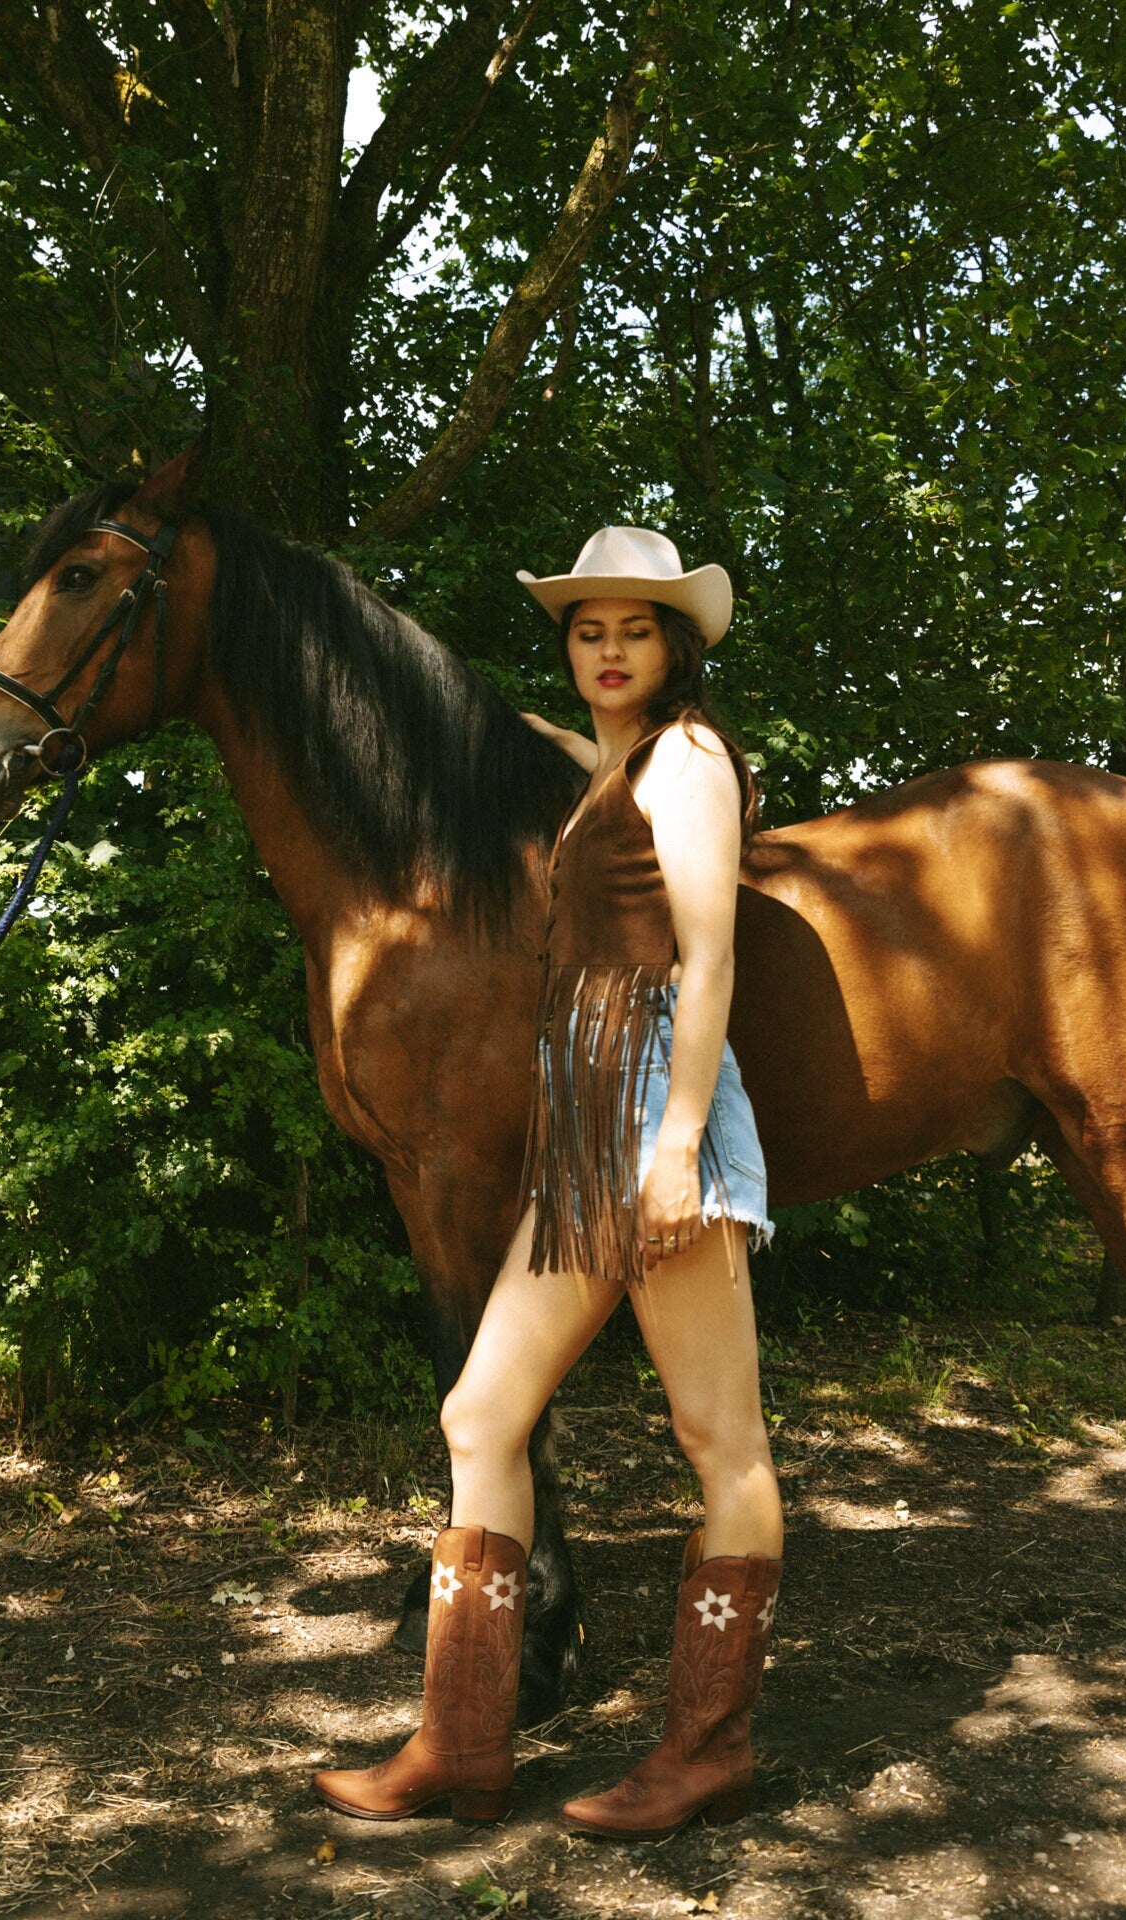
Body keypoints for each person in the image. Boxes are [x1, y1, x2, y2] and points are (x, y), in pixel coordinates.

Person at [312, 527, 782, 1837]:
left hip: (651, 1108)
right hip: (583, 1117)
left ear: (677, 644)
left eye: (637, 629)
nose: (611, 649)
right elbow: (596, 798)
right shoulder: (624, 769)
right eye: (590, 629)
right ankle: (464, 1744)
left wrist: (680, 1141)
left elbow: (710, 958)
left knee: (718, 1440)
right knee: (480, 1417)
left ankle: (708, 1751)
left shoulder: (688, 763)